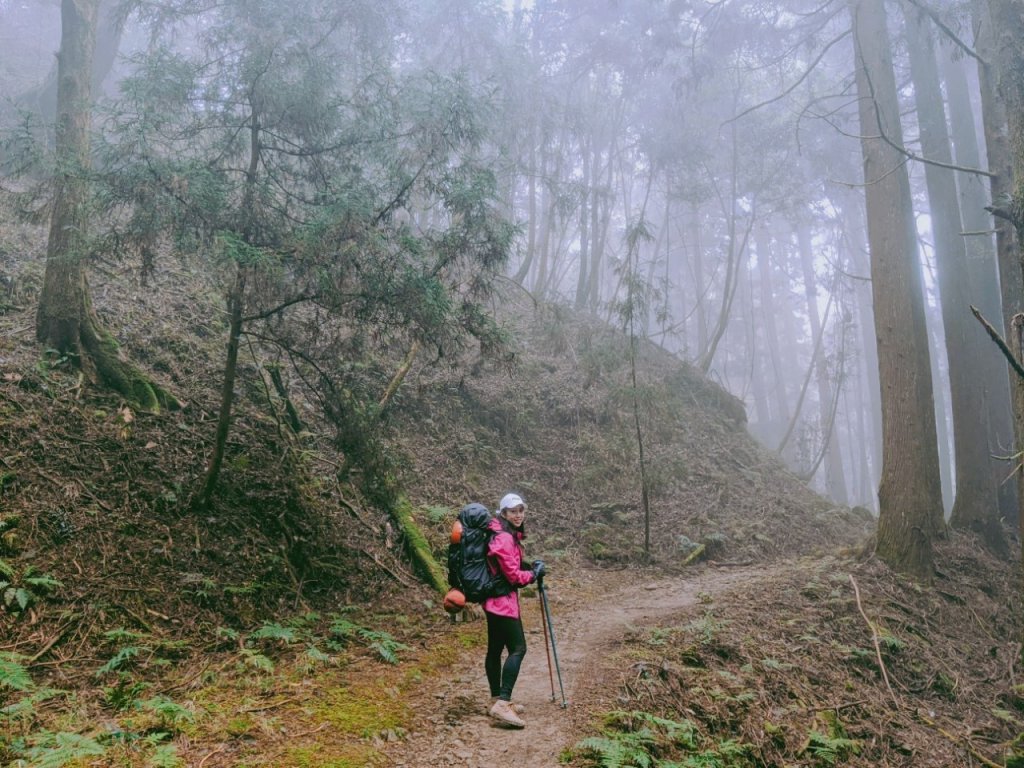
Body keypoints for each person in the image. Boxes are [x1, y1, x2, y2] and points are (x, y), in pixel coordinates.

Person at [484, 492, 545, 728]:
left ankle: (495, 698)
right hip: (502, 603)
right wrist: (533, 575)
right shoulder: (503, 538)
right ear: (503, 513)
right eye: (513, 511)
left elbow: (510, 566)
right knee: (518, 649)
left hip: (494, 601)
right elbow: (513, 576)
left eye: (521, 510)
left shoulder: (503, 534)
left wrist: (530, 566)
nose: (518, 515)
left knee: (495, 649)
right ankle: (503, 703)